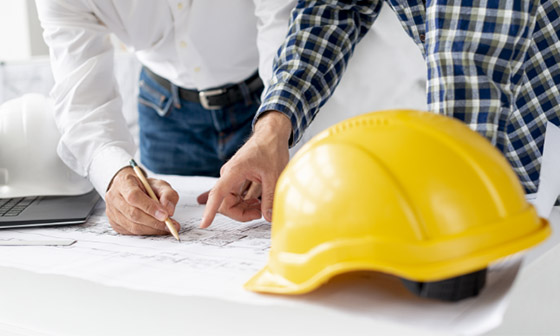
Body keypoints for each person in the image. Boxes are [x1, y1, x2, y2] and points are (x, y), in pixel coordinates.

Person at [200, 0, 560, 228]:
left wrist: (453, 209)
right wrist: (272, 131)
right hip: (502, 167)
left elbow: (469, 53)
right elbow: (332, 9)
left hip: (538, 134)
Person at [35, 0, 295, 235]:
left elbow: (286, 26)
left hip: (264, 96)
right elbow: (82, 96)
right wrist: (114, 175)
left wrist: (273, 128)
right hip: (164, 111)